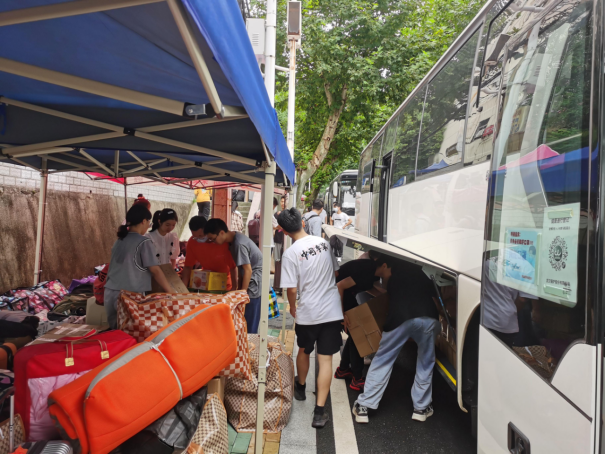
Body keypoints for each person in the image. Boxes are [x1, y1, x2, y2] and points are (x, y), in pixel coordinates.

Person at [278, 207, 343, 429]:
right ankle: (319, 412)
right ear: (303, 223)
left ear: (284, 231)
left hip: (307, 313)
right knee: (325, 360)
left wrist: (292, 307)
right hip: (331, 311)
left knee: (304, 350)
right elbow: (335, 273)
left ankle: (301, 387)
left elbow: (291, 289)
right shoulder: (324, 243)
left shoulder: (290, 253)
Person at [352, 260, 440, 424]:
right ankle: (421, 408)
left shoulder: (393, 276)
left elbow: (389, 299)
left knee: (383, 359)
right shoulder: (425, 272)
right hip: (428, 317)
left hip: (400, 318)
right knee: (425, 362)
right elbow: (436, 299)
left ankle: (364, 406)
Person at [104, 204, 173, 329]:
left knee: (115, 332)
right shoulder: (144, 242)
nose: (148, 226)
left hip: (109, 293)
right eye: (148, 223)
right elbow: (155, 270)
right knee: (131, 333)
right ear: (143, 221)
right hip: (129, 295)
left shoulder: (119, 240)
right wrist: (170, 291)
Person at [334, 255, 394, 391]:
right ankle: (357, 378)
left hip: (348, 296)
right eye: (392, 270)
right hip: (337, 296)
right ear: (384, 266)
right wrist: (341, 314)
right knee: (357, 334)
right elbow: (339, 286)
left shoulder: (374, 274)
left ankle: (343, 369)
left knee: (354, 333)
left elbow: (368, 287)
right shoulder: (367, 269)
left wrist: (385, 297)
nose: (392, 274)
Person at [204, 219, 263, 333]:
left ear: (221, 232)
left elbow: (248, 270)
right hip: (250, 282)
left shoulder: (239, 244)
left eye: (213, 239)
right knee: (244, 322)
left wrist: (242, 294)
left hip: (254, 285)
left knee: (249, 326)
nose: (213, 242)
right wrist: (239, 289)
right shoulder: (233, 240)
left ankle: (249, 343)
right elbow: (242, 269)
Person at [181, 216, 238, 291]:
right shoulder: (192, 242)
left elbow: (233, 267)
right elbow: (188, 266)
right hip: (205, 284)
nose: (199, 239)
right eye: (195, 237)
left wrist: (234, 288)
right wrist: (183, 289)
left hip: (225, 285)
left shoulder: (222, 242)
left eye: (201, 236)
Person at [273, 196, 286, 292]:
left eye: (284, 201)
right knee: (277, 262)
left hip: (286, 241)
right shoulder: (276, 214)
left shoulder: (289, 214)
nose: (282, 203)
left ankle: (283, 286)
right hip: (277, 240)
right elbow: (275, 227)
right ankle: (277, 285)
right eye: (281, 201)